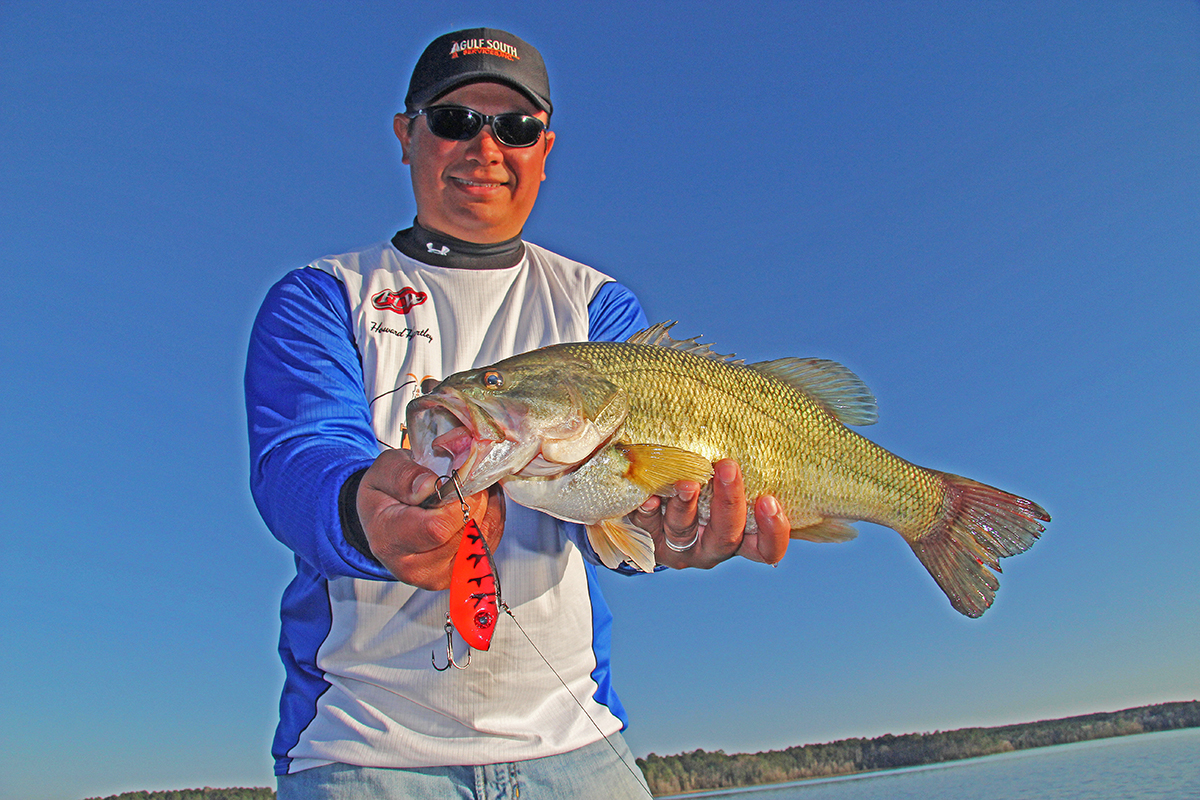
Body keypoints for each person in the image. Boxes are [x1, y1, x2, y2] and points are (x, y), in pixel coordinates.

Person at [245, 27, 792, 800]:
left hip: (578, 744)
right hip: (362, 752)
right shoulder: (320, 295)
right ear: (407, 136)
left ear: (544, 146)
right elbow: (298, 459)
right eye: (453, 121)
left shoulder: (598, 306)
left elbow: (614, 524)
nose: (485, 147)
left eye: (516, 127)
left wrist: (672, 536)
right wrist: (363, 514)